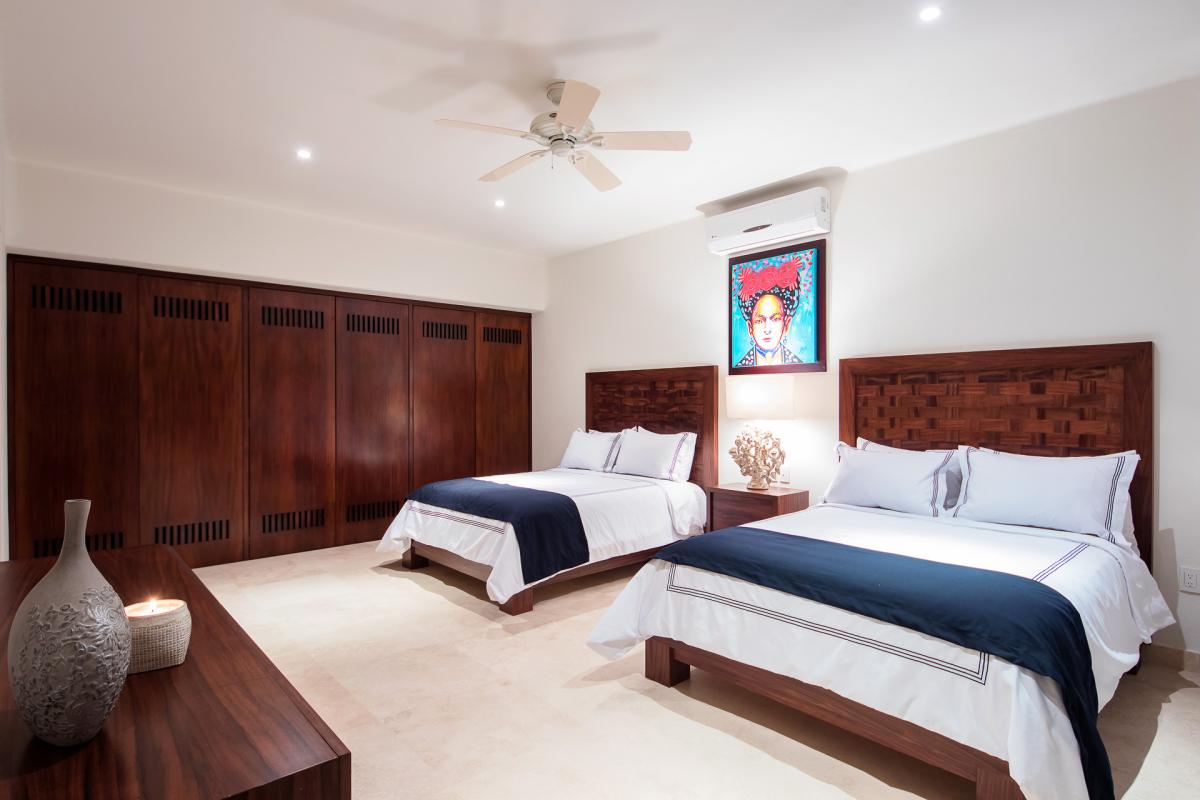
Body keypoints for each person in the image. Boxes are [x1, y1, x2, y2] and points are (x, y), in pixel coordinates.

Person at [733, 254, 812, 367]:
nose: (767, 329)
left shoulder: (798, 364)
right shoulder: (742, 365)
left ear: (787, 324)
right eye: (759, 321)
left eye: (775, 319)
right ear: (750, 327)